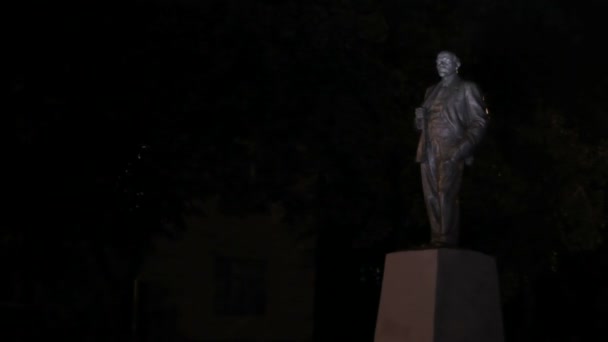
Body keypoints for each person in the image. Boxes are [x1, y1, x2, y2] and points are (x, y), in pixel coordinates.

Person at [415, 51, 489, 247]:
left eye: (445, 60)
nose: (441, 64)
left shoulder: (466, 88)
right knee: (430, 194)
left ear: (457, 64)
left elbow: (479, 121)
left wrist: (463, 148)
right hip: (429, 148)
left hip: (452, 146)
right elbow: (422, 124)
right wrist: (419, 120)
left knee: (445, 192)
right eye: (438, 61)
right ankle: (436, 237)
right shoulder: (430, 91)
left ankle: (446, 238)